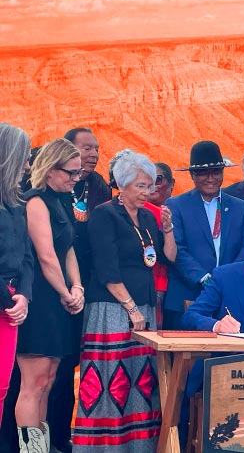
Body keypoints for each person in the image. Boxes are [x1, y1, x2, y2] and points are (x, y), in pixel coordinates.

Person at [74, 150, 176, 452]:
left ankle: (139, 446)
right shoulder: (105, 214)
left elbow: (167, 258)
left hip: (143, 306)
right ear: (123, 185)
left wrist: (168, 228)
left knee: (140, 379)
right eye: (141, 186)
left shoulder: (148, 216)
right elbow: (107, 269)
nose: (148, 192)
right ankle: (102, 447)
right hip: (113, 307)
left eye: (151, 185)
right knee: (109, 380)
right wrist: (130, 308)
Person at [16, 139, 86, 452]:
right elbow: (46, 256)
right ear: (51, 169)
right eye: (71, 172)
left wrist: (77, 287)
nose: (76, 178)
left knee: (49, 379)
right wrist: (65, 292)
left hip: (60, 299)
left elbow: (67, 247)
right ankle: (30, 448)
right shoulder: (35, 202)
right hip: (40, 299)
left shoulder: (60, 200)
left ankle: (41, 447)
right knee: (33, 382)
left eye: (78, 172)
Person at [51, 127, 111, 453]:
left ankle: (65, 434)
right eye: (86, 148)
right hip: (57, 288)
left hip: (88, 287)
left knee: (76, 363)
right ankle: (49, 436)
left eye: (96, 148)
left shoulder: (98, 185)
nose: (93, 154)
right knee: (55, 369)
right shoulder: (54, 187)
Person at [163, 141, 244, 330]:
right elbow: (177, 249)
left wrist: (227, 278)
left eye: (216, 172)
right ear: (192, 175)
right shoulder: (176, 205)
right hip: (188, 294)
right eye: (203, 173)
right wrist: (204, 278)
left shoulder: (241, 207)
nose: (210, 178)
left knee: (226, 357)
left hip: (229, 297)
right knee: (184, 357)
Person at [0, 124, 33, 430]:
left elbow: (27, 257)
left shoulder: (16, 203)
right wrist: (11, 297)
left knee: (1, 389)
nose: (27, 165)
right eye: (24, 156)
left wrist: (24, 294)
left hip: (11, 306)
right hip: (5, 301)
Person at [146, 163, 175, 326]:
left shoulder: (178, 209)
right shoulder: (132, 211)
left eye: (157, 179)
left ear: (171, 183)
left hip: (173, 284)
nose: (152, 185)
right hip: (146, 284)